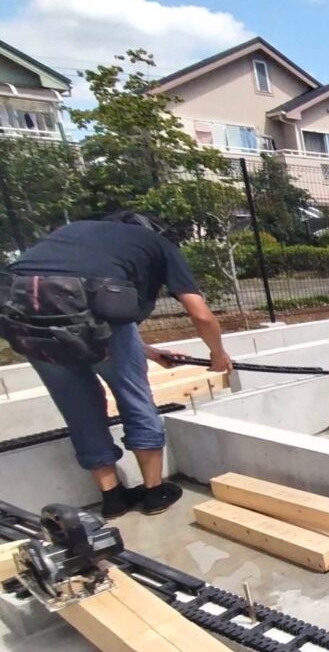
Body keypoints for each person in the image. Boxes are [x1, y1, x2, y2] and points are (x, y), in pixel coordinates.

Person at [0, 212, 233, 518]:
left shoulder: (75, 231)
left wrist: (148, 351)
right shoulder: (158, 244)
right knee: (134, 399)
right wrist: (218, 354)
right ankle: (153, 493)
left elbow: (65, 317)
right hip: (95, 317)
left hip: (24, 322)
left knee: (79, 409)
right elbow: (200, 314)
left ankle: (112, 499)